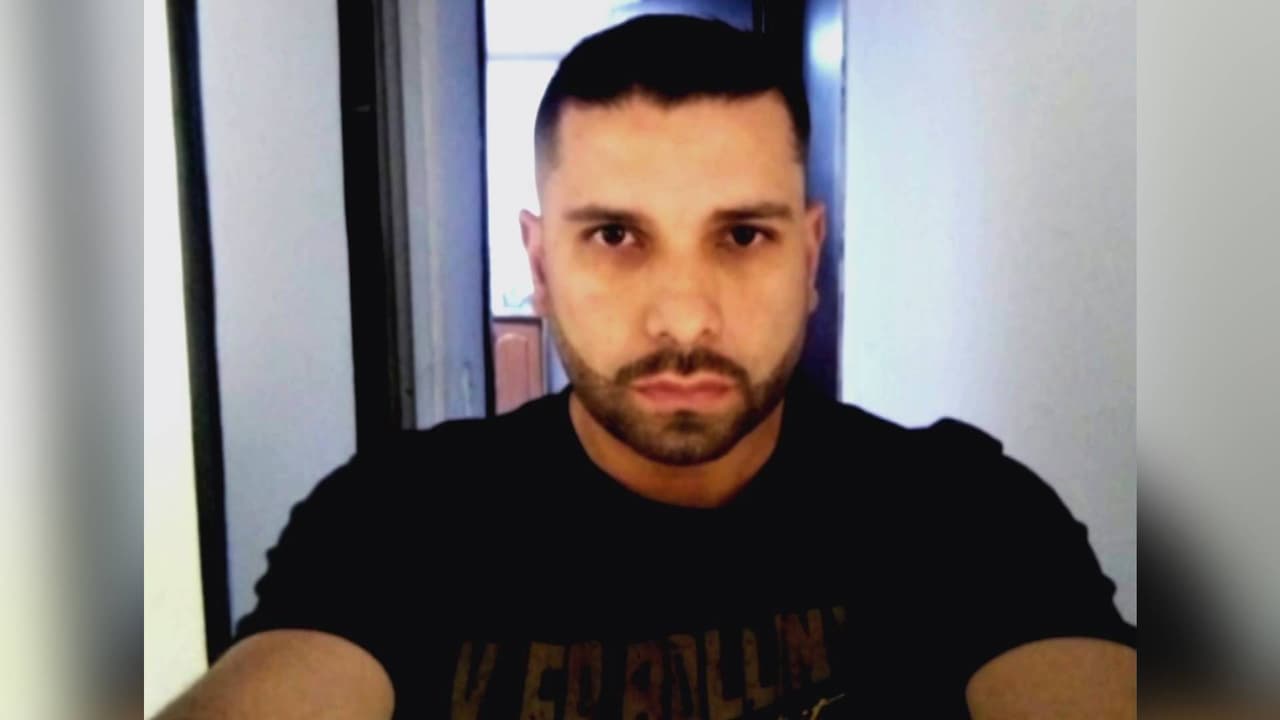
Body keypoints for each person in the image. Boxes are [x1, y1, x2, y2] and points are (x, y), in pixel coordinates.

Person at [157, 15, 1135, 719]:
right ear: (541, 267)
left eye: (742, 235)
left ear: (808, 259)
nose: (683, 317)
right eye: (616, 236)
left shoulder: (964, 511)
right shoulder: (392, 521)